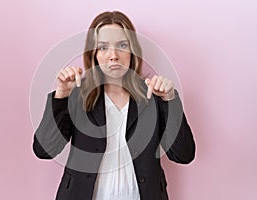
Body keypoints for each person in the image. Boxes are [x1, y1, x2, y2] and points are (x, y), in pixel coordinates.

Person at [33, 11, 196, 200]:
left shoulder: (154, 94)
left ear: (132, 51)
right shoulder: (78, 95)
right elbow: (44, 150)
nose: (113, 56)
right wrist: (61, 96)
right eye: (103, 47)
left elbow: (184, 155)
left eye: (122, 45)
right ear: (93, 54)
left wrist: (170, 100)